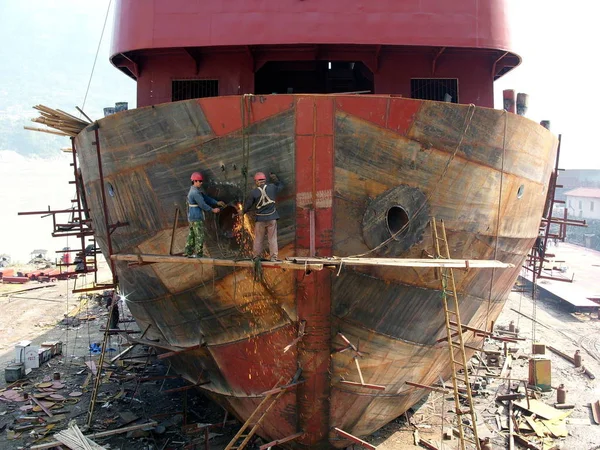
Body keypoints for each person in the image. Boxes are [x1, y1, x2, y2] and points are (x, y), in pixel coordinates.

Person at [240, 172, 284, 261]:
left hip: (260, 220)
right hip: (272, 218)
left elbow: (247, 205)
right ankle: (274, 258)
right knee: (272, 239)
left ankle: (256, 257)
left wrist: (242, 211)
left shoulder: (254, 192)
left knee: (258, 239)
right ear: (265, 180)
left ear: (256, 181)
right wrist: (276, 179)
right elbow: (280, 186)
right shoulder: (272, 187)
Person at [185, 172, 225, 258]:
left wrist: (216, 202)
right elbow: (202, 204)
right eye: (199, 181)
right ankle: (199, 254)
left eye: (201, 181)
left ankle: (188, 251)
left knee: (192, 234)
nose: (201, 182)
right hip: (196, 217)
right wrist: (213, 210)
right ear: (194, 181)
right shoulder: (195, 193)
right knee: (200, 235)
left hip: (192, 217)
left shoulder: (195, 191)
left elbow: (206, 198)